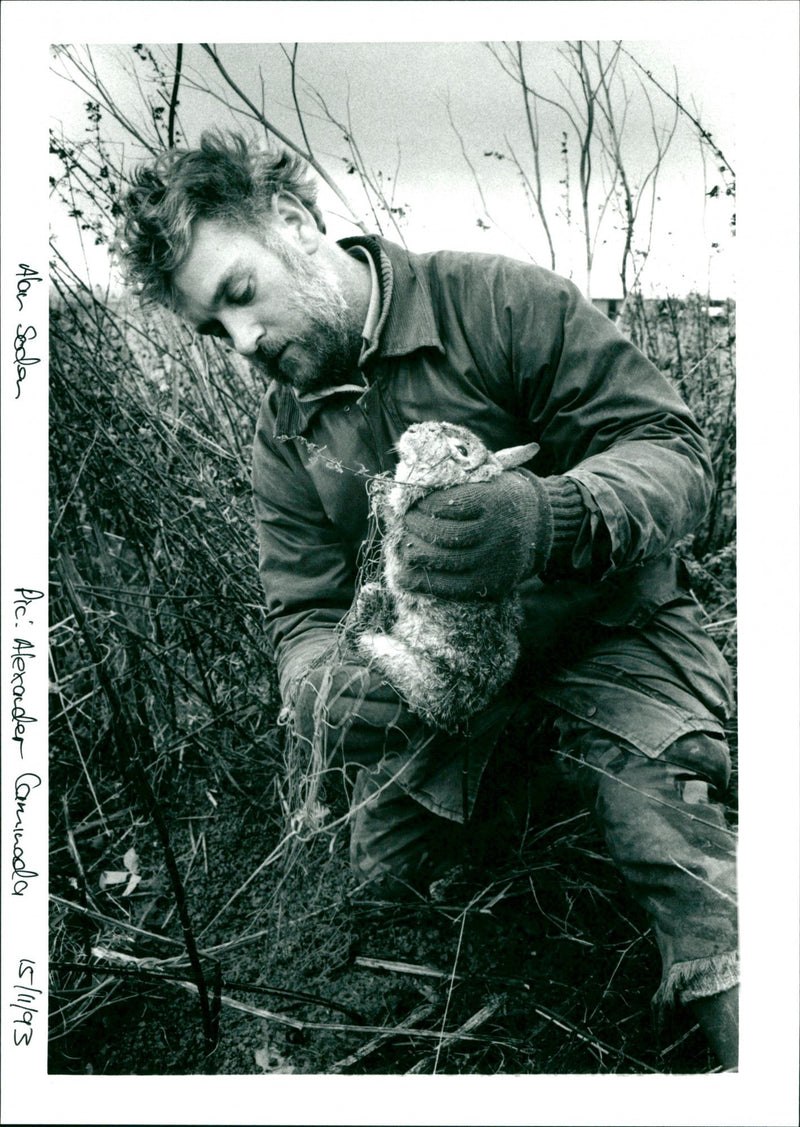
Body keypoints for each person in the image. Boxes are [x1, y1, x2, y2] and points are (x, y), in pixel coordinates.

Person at [117, 132, 739, 1068]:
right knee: (374, 890)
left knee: (678, 851)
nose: (244, 342)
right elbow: (304, 610)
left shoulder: (498, 301)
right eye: (214, 329)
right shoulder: (286, 435)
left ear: (292, 221)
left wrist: (549, 514)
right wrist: (321, 684)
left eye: (239, 293)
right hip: (446, 687)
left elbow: (672, 452)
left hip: (616, 636)